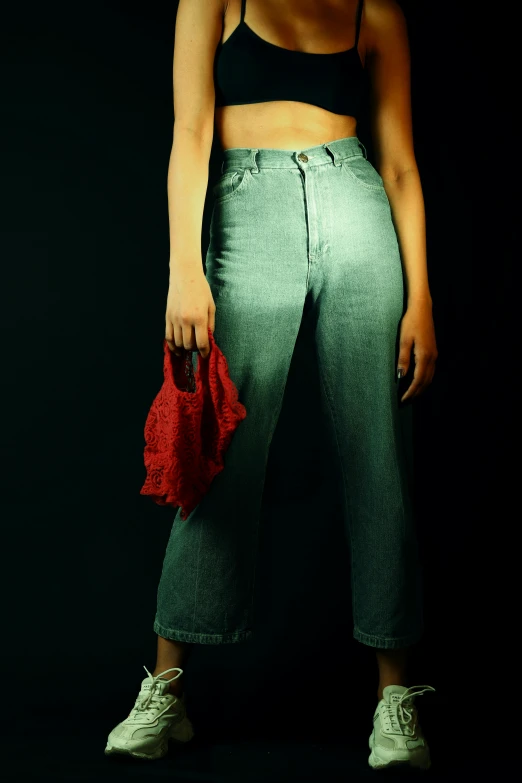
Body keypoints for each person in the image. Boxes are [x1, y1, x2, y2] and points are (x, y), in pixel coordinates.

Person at [105, 0, 438, 770]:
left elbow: (399, 164)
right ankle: (167, 689)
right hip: (247, 206)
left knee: (381, 451)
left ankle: (395, 701)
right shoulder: (215, 2)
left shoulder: (374, 11)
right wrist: (183, 268)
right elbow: (191, 133)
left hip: (356, 204)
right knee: (219, 445)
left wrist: (421, 296)